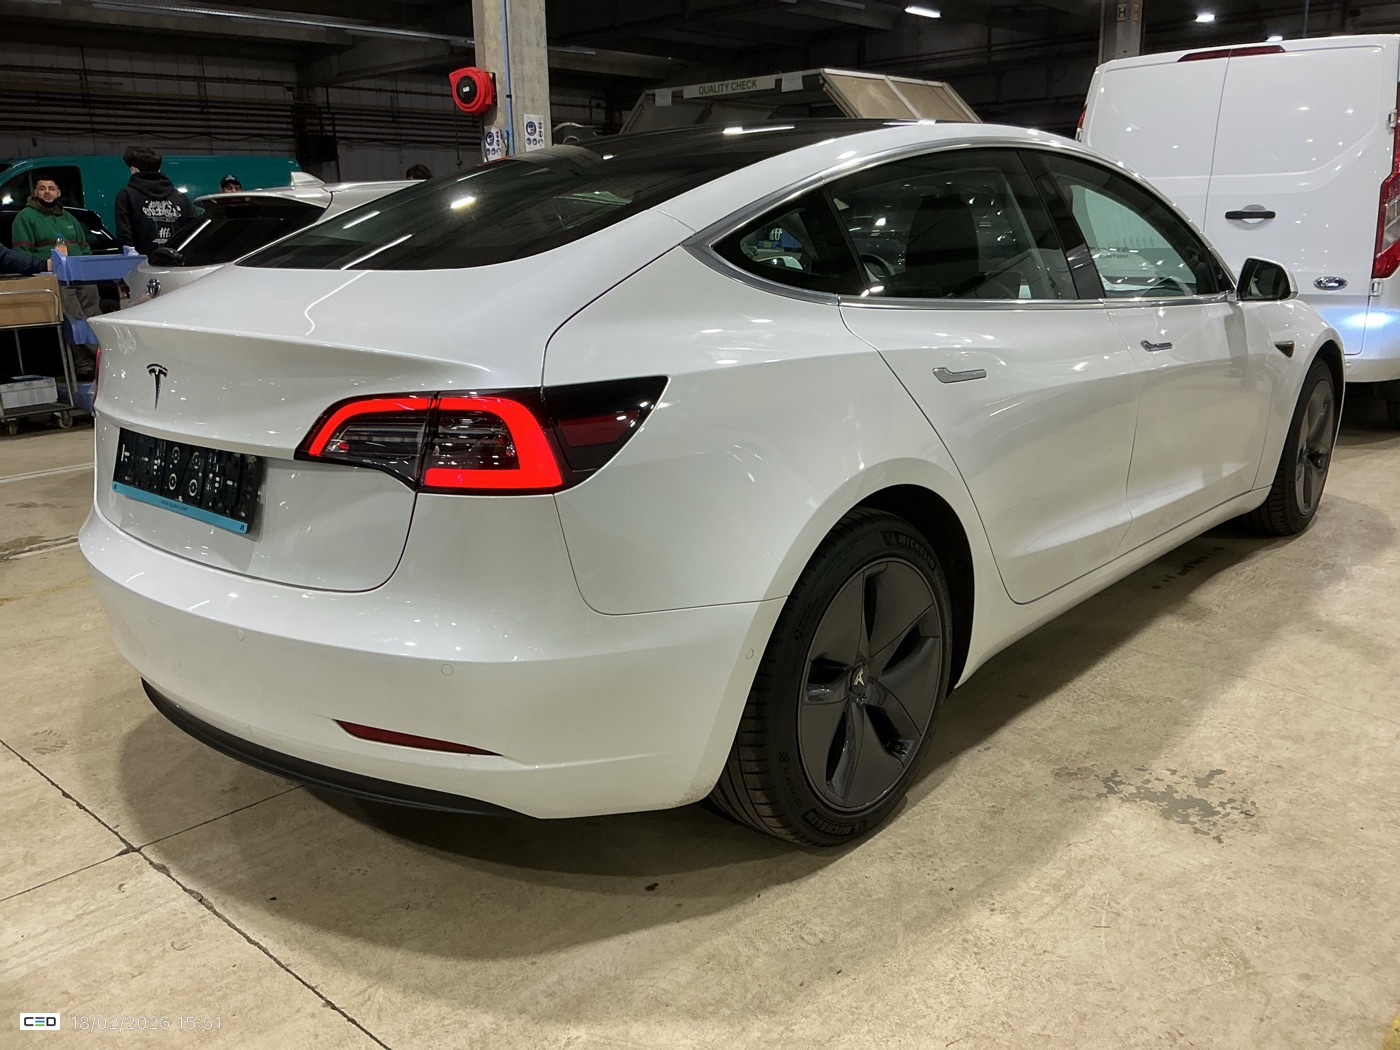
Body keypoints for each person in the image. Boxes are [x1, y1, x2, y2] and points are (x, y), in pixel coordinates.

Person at [10, 173, 99, 377]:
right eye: (42, 188)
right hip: (54, 279)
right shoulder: (25, 217)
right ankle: (91, 360)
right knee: (74, 318)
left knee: (94, 316)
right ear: (35, 192)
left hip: (82, 276)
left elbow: (85, 247)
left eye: (51, 188)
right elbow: (22, 255)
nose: (47, 192)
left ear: (58, 192)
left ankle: (95, 359)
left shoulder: (69, 218)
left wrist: (88, 269)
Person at [114, 146, 195, 256]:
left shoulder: (126, 195)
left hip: (143, 263)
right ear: (159, 168)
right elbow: (193, 229)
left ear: (133, 169)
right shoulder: (180, 197)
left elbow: (124, 235)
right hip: (177, 260)